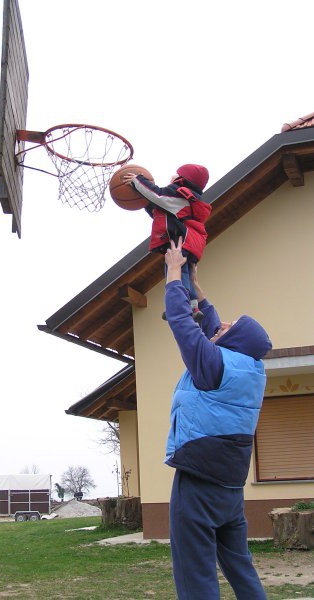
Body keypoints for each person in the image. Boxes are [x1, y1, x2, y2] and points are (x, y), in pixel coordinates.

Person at [163, 238, 272, 600]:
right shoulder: (251, 369)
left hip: (198, 484)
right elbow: (212, 327)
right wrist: (198, 287)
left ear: (235, 340)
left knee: (196, 576)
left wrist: (174, 274)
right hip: (229, 488)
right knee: (239, 565)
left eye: (230, 325)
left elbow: (183, 324)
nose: (221, 322)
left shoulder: (214, 364)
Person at [123, 164, 211, 322]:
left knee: (174, 272)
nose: (172, 176)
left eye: (176, 174)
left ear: (182, 179)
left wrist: (138, 181)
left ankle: (180, 305)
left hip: (180, 243)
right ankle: (193, 306)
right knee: (184, 274)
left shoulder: (180, 194)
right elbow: (159, 209)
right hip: (189, 242)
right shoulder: (186, 200)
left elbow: (157, 195)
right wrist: (144, 199)